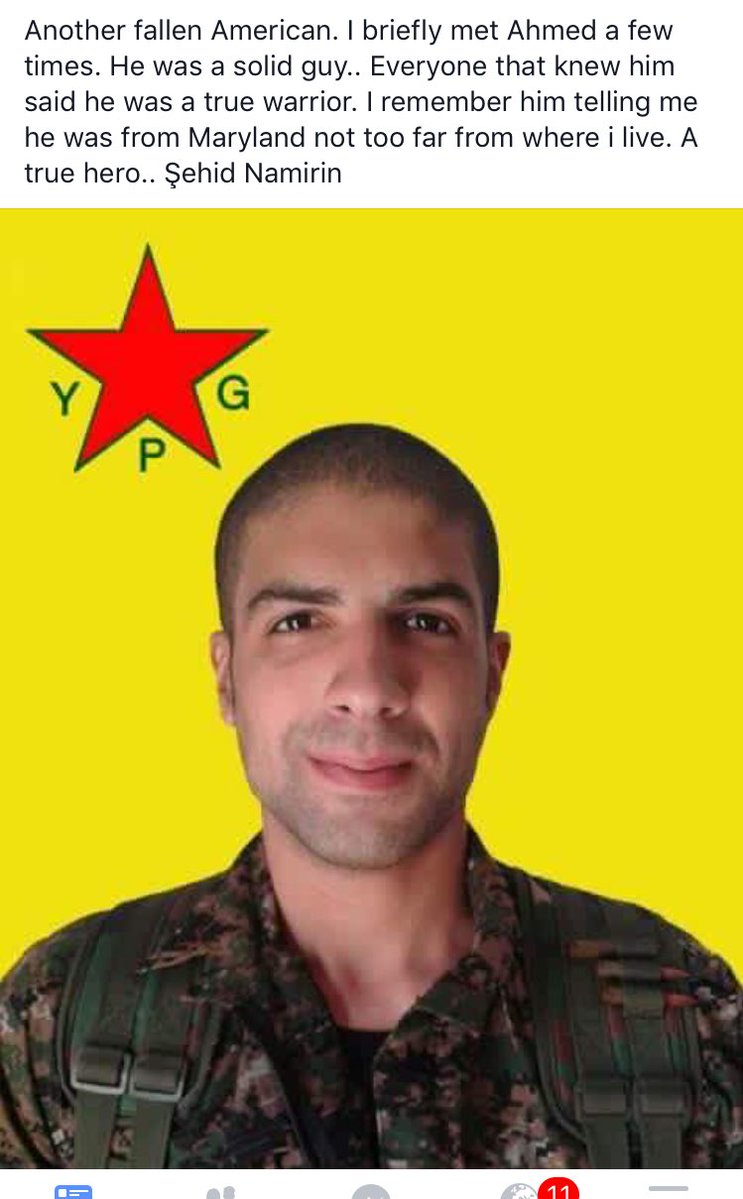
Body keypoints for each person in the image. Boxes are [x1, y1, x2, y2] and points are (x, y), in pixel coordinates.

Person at [1, 423, 741, 1170]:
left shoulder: (684, 1022)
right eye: (298, 622)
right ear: (226, 677)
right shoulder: (59, 1025)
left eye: (424, 623)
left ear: (491, 675)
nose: (367, 687)